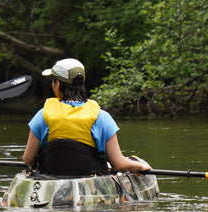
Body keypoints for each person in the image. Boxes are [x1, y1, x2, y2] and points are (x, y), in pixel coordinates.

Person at [21, 58, 151, 177]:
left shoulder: (42, 115)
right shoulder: (102, 117)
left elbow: (28, 159)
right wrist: (138, 165)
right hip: (90, 185)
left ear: (58, 84)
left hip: (49, 180)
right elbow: (120, 164)